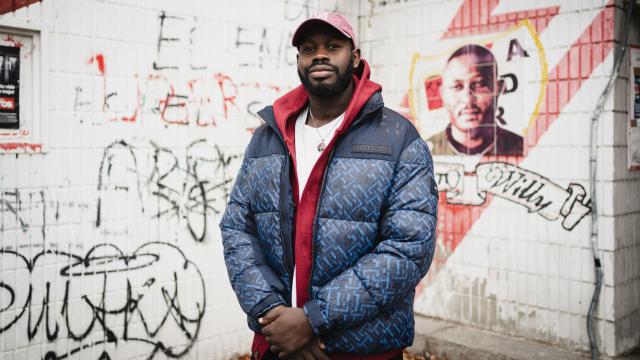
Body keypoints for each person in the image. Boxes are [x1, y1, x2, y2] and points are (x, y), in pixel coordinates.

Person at [221, 11, 437, 360]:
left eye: (332, 45)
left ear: (354, 57)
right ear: (298, 61)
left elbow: (409, 247)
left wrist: (313, 319)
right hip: (276, 346)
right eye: (308, 48)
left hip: (363, 349)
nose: (319, 55)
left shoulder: (398, 138)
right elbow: (237, 228)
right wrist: (270, 313)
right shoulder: (267, 137)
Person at [427, 44, 523, 156]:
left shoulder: (522, 148)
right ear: (442, 94)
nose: (467, 99)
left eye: (479, 84)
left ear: (498, 88)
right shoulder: (424, 153)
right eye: (457, 87)